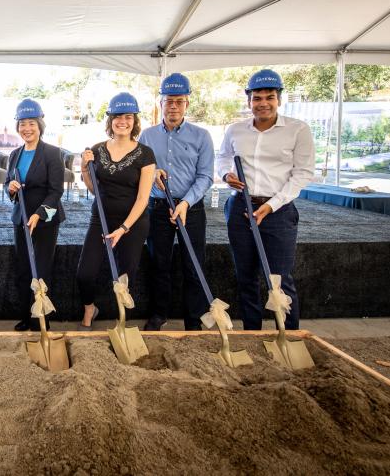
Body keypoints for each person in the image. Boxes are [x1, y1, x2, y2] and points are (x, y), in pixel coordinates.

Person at [216, 69, 314, 330]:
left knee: (280, 278)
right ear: (249, 101)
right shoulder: (235, 130)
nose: (263, 103)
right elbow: (223, 157)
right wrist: (226, 174)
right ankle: (252, 332)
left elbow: (303, 173)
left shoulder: (298, 130)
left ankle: (289, 333)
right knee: (245, 276)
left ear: (279, 99)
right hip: (240, 207)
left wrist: (272, 205)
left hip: (278, 210)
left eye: (269, 97)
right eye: (257, 98)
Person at [138, 73, 214, 331]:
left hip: (190, 209)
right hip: (158, 208)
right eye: (169, 101)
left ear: (187, 105)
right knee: (159, 264)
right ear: (161, 103)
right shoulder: (147, 136)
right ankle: (159, 314)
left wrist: (186, 203)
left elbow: (205, 177)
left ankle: (194, 320)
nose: (173, 106)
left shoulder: (201, 136)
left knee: (193, 264)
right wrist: (153, 173)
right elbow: (140, 171)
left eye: (179, 101)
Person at [76, 92, 156, 329]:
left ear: (135, 121)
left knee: (124, 276)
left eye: (128, 117)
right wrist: (83, 168)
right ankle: (90, 307)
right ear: (110, 121)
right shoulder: (98, 149)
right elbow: (94, 190)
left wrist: (123, 228)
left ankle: (122, 320)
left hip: (133, 223)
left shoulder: (146, 154)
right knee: (85, 274)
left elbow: (143, 198)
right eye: (117, 117)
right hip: (100, 218)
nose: (123, 121)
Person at [4, 99, 65, 331]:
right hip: (21, 219)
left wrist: (39, 214)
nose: (26, 128)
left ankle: (41, 320)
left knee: (41, 270)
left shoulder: (52, 153)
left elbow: (56, 191)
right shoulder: (14, 154)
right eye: (22, 124)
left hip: (45, 220)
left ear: (40, 125)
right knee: (24, 270)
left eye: (31, 123)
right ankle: (26, 315)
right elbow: (8, 182)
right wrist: (10, 188)